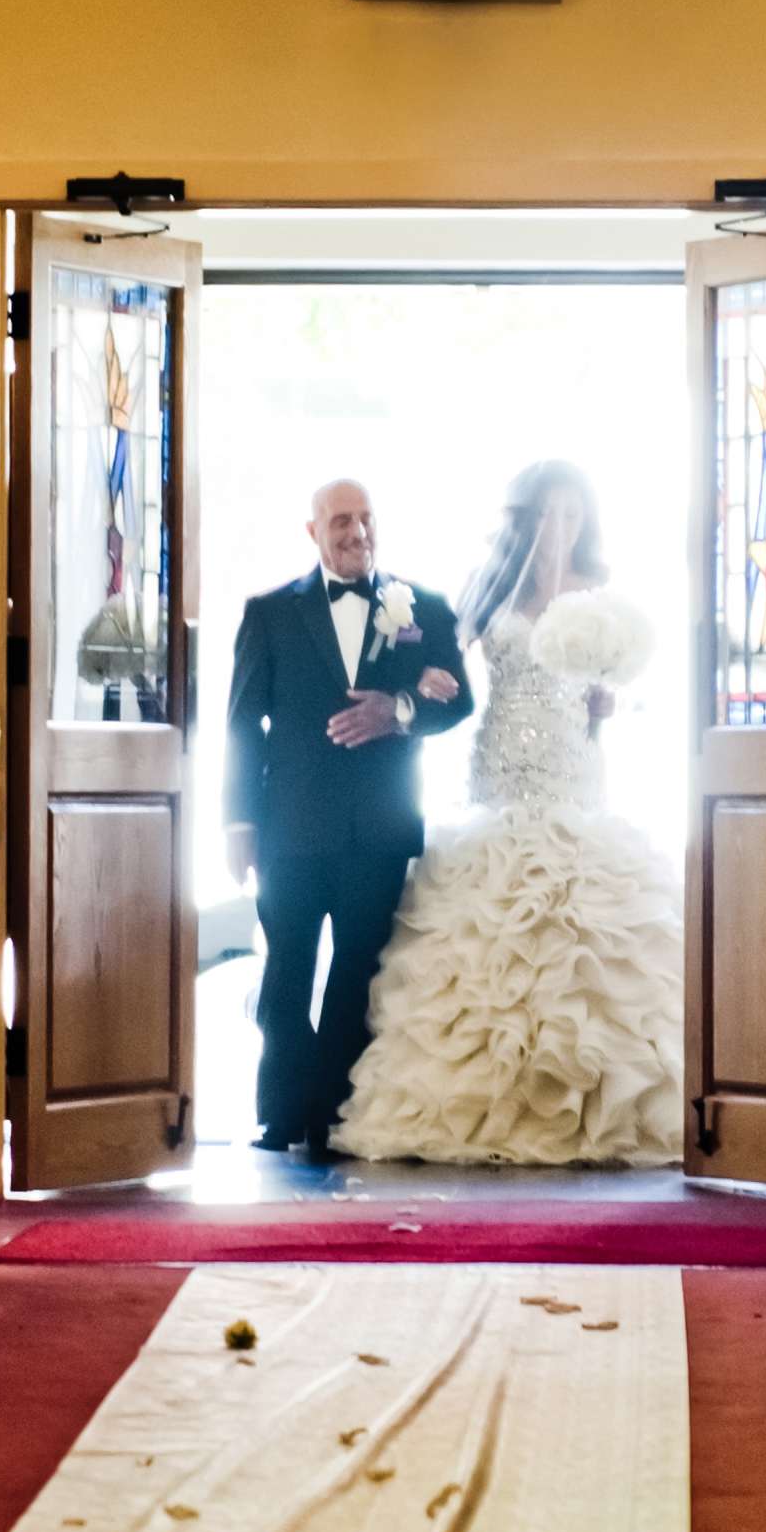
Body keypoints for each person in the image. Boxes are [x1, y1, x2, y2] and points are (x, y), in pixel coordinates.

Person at [335, 460, 683, 1168]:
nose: (560, 529)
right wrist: (416, 686)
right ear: (523, 520)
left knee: (584, 930)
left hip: (572, 770)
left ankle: (588, 1104)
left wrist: (608, 703)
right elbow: (442, 671)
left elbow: (618, 687)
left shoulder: (600, 599)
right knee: (484, 932)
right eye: (547, 514)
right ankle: (479, 1106)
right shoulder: (489, 591)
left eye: (572, 516)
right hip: (497, 772)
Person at [224, 480, 474, 1163]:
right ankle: (280, 1110)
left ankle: (330, 1111)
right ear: (313, 531)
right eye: (341, 521)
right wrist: (238, 823)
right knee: (289, 966)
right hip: (290, 828)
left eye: (366, 520)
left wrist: (398, 709)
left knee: (357, 968)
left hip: (380, 828)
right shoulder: (270, 613)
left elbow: (459, 702)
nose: (356, 532)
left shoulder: (421, 607)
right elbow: (243, 724)